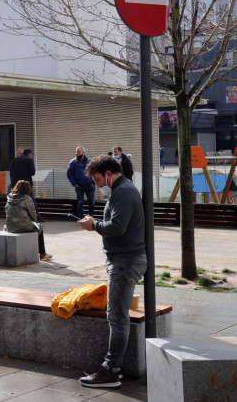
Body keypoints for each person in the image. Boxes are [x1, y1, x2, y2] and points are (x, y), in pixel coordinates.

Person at [77, 154, 146, 389]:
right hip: (123, 259)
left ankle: (111, 372)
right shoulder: (122, 190)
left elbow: (117, 227)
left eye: (97, 180)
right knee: (116, 316)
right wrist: (95, 222)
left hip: (125, 261)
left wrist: (93, 225)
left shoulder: (123, 191)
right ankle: (110, 368)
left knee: (116, 317)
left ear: (108, 174)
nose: (97, 185)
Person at [4, 180, 51, 261]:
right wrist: (34, 221)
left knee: (6, 226)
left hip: (10, 226)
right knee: (39, 227)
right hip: (24, 226)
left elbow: (7, 212)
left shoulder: (9, 197)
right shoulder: (27, 198)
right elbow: (33, 215)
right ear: (27, 189)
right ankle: (42, 254)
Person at [68, 147, 96, 217]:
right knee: (80, 202)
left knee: (91, 202)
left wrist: (93, 182)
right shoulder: (73, 162)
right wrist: (75, 184)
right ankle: (80, 218)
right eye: (77, 152)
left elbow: (95, 172)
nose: (77, 153)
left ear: (83, 152)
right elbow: (69, 173)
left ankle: (91, 217)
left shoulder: (89, 161)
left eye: (79, 152)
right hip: (79, 186)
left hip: (90, 186)